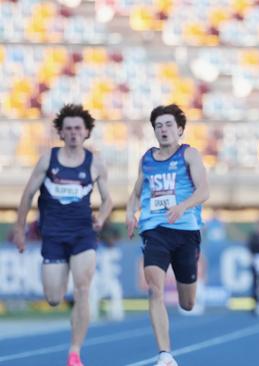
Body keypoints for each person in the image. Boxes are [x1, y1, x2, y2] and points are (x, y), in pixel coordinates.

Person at [11, 104, 113, 366]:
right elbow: (27, 195)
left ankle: (75, 352)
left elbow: (108, 199)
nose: (73, 133)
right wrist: (20, 230)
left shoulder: (95, 163)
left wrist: (100, 218)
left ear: (87, 132)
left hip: (83, 236)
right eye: (68, 129)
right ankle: (62, 282)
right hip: (54, 237)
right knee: (54, 298)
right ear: (61, 133)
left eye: (78, 128)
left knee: (82, 289)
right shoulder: (48, 159)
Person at [126, 104, 209, 366]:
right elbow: (137, 193)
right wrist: (130, 213)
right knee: (155, 289)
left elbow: (204, 191)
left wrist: (182, 206)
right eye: (158, 126)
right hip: (155, 229)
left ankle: (167, 350)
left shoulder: (189, 155)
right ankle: (165, 354)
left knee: (187, 303)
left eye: (169, 125)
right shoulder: (147, 159)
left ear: (180, 129)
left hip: (185, 231)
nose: (163, 130)